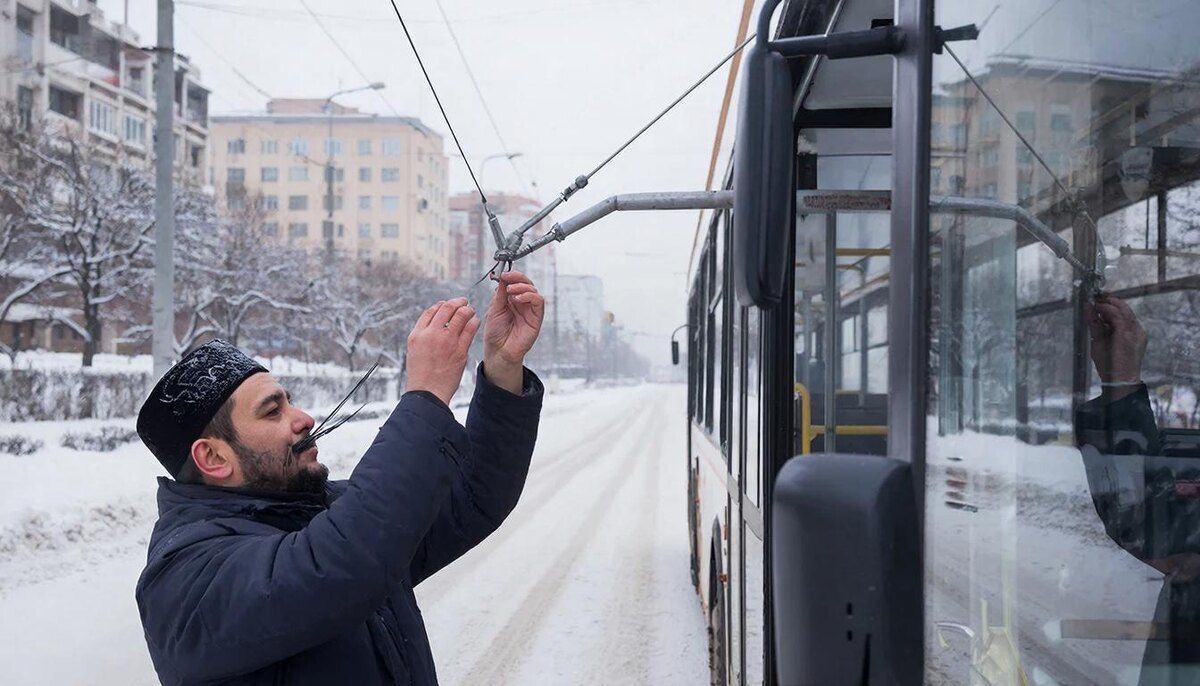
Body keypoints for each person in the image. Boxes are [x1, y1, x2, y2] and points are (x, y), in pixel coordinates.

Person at [134, 272, 545, 686]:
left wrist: (502, 368)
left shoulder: (323, 515)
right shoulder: (185, 581)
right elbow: (341, 562)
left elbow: (470, 497)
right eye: (272, 411)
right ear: (213, 457)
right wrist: (425, 397)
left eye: (289, 402)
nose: (303, 418)